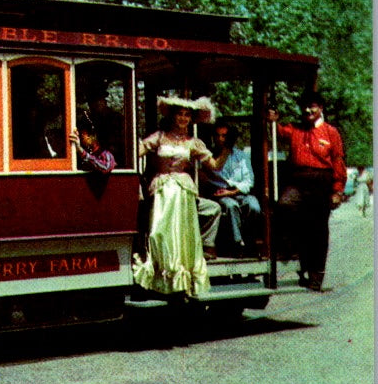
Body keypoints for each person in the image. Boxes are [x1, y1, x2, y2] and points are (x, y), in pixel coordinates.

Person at [133, 96, 224, 298]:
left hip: (182, 190)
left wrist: (227, 148)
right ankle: (161, 279)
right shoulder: (159, 137)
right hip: (163, 188)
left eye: (187, 115)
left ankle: (181, 282)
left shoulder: (194, 142)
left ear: (191, 119)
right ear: (172, 116)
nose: (183, 118)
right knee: (159, 232)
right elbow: (135, 153)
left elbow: (215, 165)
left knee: (182, 234)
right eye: (179, 114)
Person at [269, 92, 347, 291]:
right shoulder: (295, 129)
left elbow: (338, 161)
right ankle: (291, 250)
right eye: (304, 107)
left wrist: (337, 190)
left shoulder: (331, 132)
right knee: (285, 205)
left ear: (320, 108)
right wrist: (271, 119)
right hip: (298, 180)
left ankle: (316, 276)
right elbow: (276, 131)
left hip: (321, 182)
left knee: (318, 229)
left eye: (312, 106)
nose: (307, 110)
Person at [201, 123, 262, 256]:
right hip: (221, 193)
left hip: (240, 192)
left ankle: (251, 241)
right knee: (231, 206)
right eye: (217, 136)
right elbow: (206, 180)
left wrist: (233, 191)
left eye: (224, 136)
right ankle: (237, 244)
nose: (220, 139)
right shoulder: (208, 157)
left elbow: (249, 181)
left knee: (254, 206)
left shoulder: (241, 156)